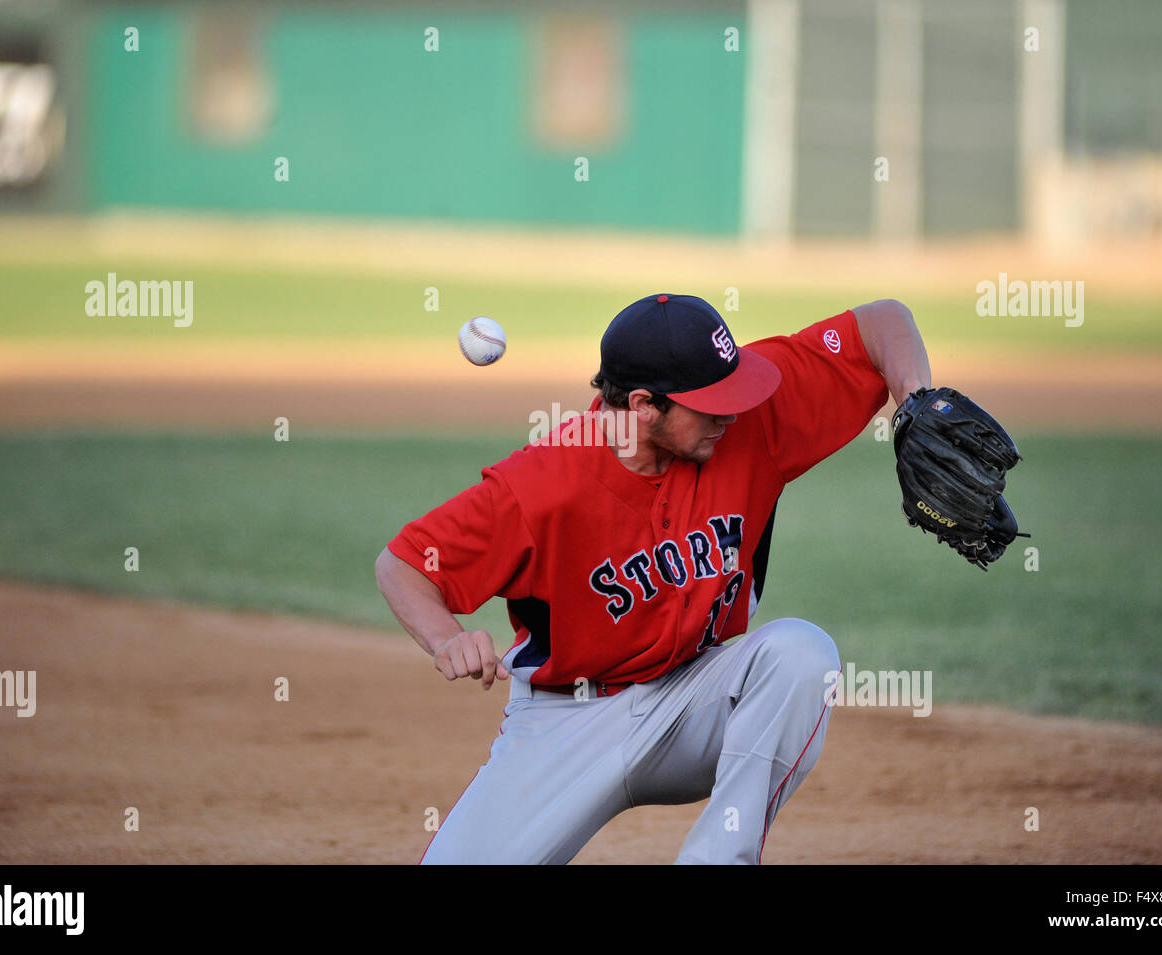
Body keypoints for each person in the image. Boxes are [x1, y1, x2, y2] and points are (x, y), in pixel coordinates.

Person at [375, 293, 931, 864]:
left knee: (801, 654)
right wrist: (447, 638)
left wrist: (919, 399)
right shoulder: (542, 483)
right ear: (643, 405)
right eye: (710, 403)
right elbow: (403, 564)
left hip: (694, 702)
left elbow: (881, 323)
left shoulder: (746, 417)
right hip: (567, 720)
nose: (731, 413)